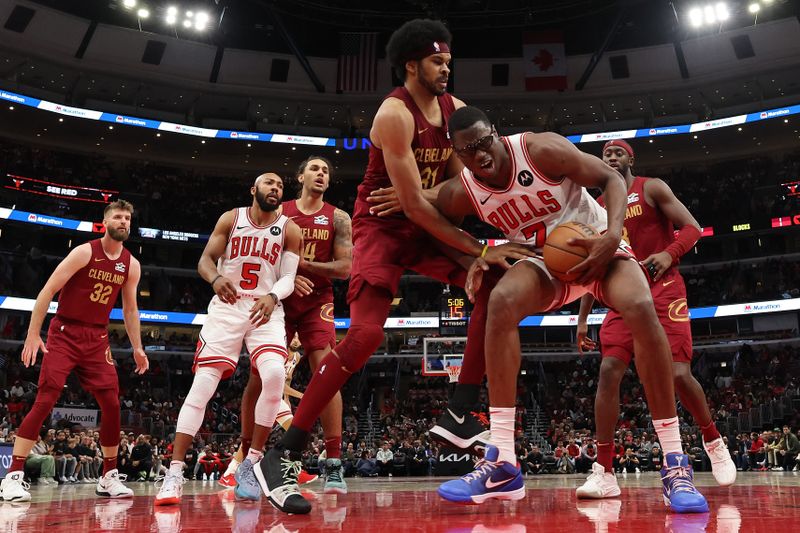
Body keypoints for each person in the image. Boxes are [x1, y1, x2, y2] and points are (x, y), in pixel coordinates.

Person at [255, 20, 533, 515]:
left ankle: (459, 409)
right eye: (437, 61)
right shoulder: (393, 114)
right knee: (363, 338)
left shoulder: (452, 111)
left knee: (496, 280)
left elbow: (454, 192)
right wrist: (475, 244)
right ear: (412, 64)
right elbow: (418, 206)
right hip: (380, 227)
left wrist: (481, 249)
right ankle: (281, 454)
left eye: (449, 60)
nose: (447, 68)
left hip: (418, 219)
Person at [432, 106, 707, 513]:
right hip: (545, 262)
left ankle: (674, 462)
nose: (479, 155)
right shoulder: (463, 190)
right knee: (500, 301)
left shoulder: (539, 149)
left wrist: (613, 234)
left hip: (596, 245)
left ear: (495, 133)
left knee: (639, 303)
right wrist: (477, 254)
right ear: (456, 153)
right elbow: (425, 215)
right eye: (467, 150)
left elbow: (610, 178)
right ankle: (503, 460)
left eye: (483, 142)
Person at [575, 139, 736, 500]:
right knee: (607, 371)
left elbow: (692, 227)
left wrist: (669, 252)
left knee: (678, 374)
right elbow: (596, 264)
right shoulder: (597, 208)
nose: (611, 157)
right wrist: (583, 319)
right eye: (606, 155)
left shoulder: (651, 187)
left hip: (664, 289)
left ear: (631, 158)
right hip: (622, 296)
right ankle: (604, 470)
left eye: (618, 152)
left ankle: (712, 438)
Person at [154, 173, 302, 505]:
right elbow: (205, 261)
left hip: (266, 309)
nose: (275, 188)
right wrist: (216, 277)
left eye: (279, 185)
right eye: (268, 183)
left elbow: (290, 278)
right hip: (227, 308)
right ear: (254, 189)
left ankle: (250, 464)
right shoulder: (231, 218)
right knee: (203, 385)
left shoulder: (289, 229)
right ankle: (174, 472)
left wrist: (273, 297)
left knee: (276, 375)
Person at [219, 157, 352, 494]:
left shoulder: (338, 217)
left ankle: (333, 462)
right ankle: (246, 454)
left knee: (327, 370)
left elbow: (344, 268)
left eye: (326, 171)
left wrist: (305, 268)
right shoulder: (281, 211)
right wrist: (290, 279)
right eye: (315, 169)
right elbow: (261, 250)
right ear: (300, 177)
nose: (321, 174)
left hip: (316, 300)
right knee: (258, 375)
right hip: (276, 297)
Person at [0, 200, 147, 502]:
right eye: (118, 217)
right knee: (46, 398)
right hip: (65, 332)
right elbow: (47, 292)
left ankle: (108, 477)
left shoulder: (131, 264)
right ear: (104, 222)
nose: (123, 222)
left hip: (97, 338)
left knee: (111, 403)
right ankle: (13, 476)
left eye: (128, 218)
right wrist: (32, 334)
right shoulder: (84, 252)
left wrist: (137, 347)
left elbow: (130, 309)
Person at [219, 334, 318, 487]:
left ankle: (230, 472)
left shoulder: (297, 357)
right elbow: (276, 382)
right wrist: (302, 395)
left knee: (257, 437)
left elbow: (287, 380)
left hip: (279, 398)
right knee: (296, 431)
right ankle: (292, 471)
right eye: (294, 337)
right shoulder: (280, 353)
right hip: (266, 393)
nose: (297, 340)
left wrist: (287, 400)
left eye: (300, 337)